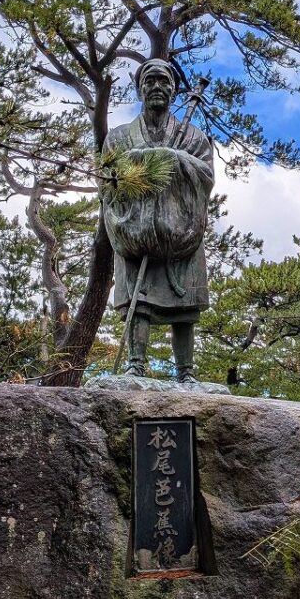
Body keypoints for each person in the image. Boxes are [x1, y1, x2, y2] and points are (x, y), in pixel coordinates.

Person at [102, 58, 214, 382]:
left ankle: (186, 371)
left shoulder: (192, 138)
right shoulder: (119, 138)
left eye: (164, 81)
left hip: (182, 231)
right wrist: (140, 165)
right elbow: (108, 180)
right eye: (149, 81)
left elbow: (206, 174)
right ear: (139, 89)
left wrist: (173, 159)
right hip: (136, 231)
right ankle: (135, 364)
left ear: (174, 90)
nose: (157, 87)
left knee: (185, 306)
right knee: (139, 301)